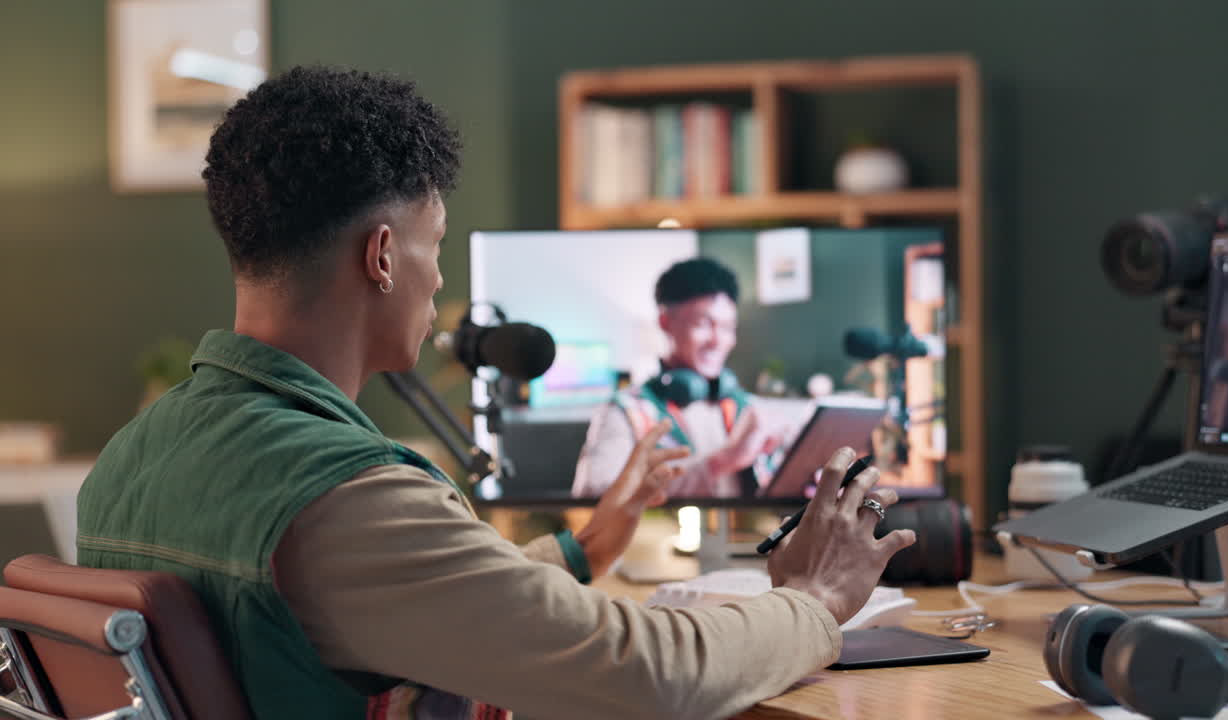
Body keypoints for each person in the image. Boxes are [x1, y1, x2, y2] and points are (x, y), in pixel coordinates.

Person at [76, 66, 915, 720]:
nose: (439, 277)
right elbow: (649, 675)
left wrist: (586, 546)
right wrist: (814, 604)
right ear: (380, 256)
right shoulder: (341, 492)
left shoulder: (132, 458)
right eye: (434, 243)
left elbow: (388, 599)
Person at [573, 257, 791, 498]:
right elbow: (592, 494)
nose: (717, 341)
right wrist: (720, 462)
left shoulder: (750, 409)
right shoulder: (625, 411)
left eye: (728, 327)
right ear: (665, 322)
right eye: (703, 324)